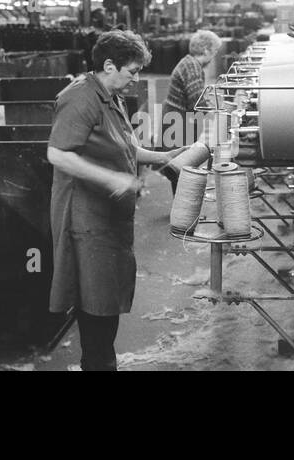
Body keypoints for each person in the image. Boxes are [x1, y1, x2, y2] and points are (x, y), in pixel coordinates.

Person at [47, 30, 186, 371]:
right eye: (133, 71)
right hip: (86, 220)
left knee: (106, 302)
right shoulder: (80, 98)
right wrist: (113, 179)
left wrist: (164, 157)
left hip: (107, 219)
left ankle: (101, 363)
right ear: (109, 65)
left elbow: (126, 147)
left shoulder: (111, 96)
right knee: (96, 307)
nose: (136, 79)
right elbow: (57, 154)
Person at [160, 29, 223, 193]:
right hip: (178, 121)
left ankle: (181, 208)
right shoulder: (192, 67)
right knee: (180, 166)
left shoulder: (189, 63)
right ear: (206, 50)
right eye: (215, 51)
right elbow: (197, 103)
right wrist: (221, 115)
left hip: (177, 118)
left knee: (180, 166)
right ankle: (182, 211)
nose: (214, 56)